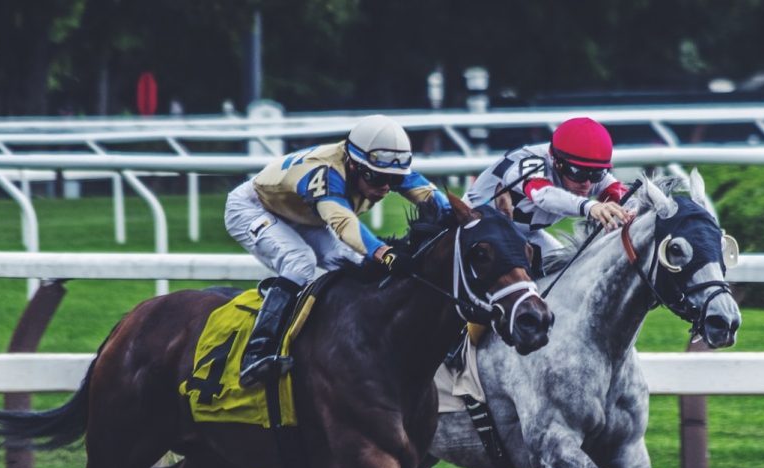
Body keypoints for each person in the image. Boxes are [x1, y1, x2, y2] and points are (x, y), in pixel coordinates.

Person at [225, 114, 451, 386]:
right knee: (300, 261)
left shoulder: (378, 165)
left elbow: (430, 195)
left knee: (353, 263)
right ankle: (258, 351)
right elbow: (344, 223)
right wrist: (385, 253)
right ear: (354, 165)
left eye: (393, 180)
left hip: (305, 214)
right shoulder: (327, 173)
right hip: (253, 207)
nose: (384, 188)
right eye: (377, 178)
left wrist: (466, 217)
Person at [463, 116, 632, 262]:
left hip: (526, 234)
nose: (587, 183)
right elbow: (543, 195)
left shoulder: (585, 173)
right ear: (557, 162)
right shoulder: (531, 162)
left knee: (570, 272)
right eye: (579, 173)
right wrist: (589, 206)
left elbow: (621, 195)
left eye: (597, 174)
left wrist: (629, 212)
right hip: (475, 227)